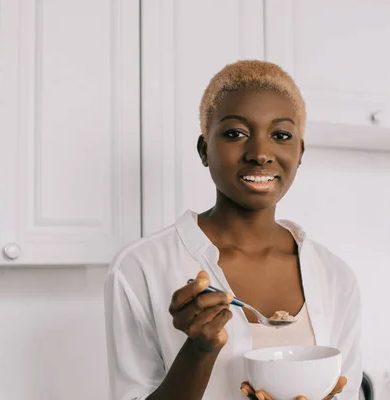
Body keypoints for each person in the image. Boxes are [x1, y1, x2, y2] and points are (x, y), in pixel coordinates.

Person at [104, 60, 362, 400]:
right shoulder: (140, 268)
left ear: (299, 153)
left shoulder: (335, 276)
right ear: (204, 150)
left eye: (281, 135)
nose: (260, 154)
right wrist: (198, 349)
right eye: (235, 134)